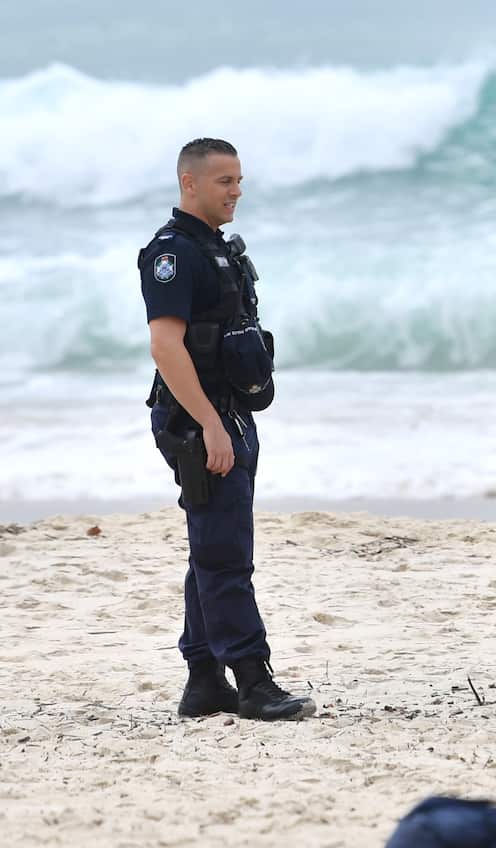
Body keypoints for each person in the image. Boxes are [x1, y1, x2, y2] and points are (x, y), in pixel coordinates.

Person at [140, 138, 314, 721]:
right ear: (190, 183)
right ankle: (253, 680)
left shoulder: (218, 249)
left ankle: (204, 679)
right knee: (226, 555)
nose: (236, 190)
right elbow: (166, 346)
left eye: (239, 180)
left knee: (211, 548)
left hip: (227, 413)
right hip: (200, 420)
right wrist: (211, 425)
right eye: (224, 182)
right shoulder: (172, 254)